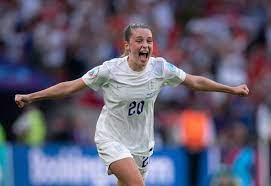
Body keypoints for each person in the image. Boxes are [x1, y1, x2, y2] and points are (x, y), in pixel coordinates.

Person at [14, 23, 249, 186]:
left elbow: (194, 82)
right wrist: (32, 96)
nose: (145, 45)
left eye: (149, 41)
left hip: (142, 144)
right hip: (111, 137)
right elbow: (70, 86)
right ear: (127, 46)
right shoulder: (110, 70)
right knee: (137, 183)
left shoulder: (160, 68)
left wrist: (230, 89)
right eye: (139, 41)